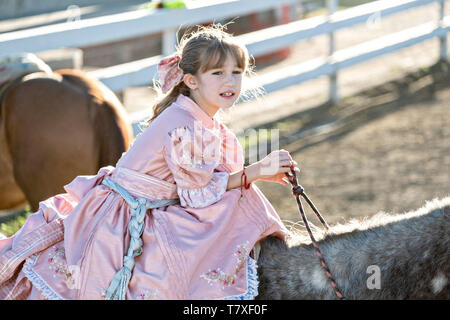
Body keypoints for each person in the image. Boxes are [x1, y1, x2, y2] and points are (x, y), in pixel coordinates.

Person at [0, 25, 298, 300]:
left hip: (156, 201)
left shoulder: (200, 118)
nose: (230, 81)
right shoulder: (183, 122)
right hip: (126, 214)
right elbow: (197, 193)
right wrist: (255, 172)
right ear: (191, 80)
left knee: (237, 200)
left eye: (237, 72)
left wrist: (254, 175)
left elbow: (206, 182)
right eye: (218, 73)